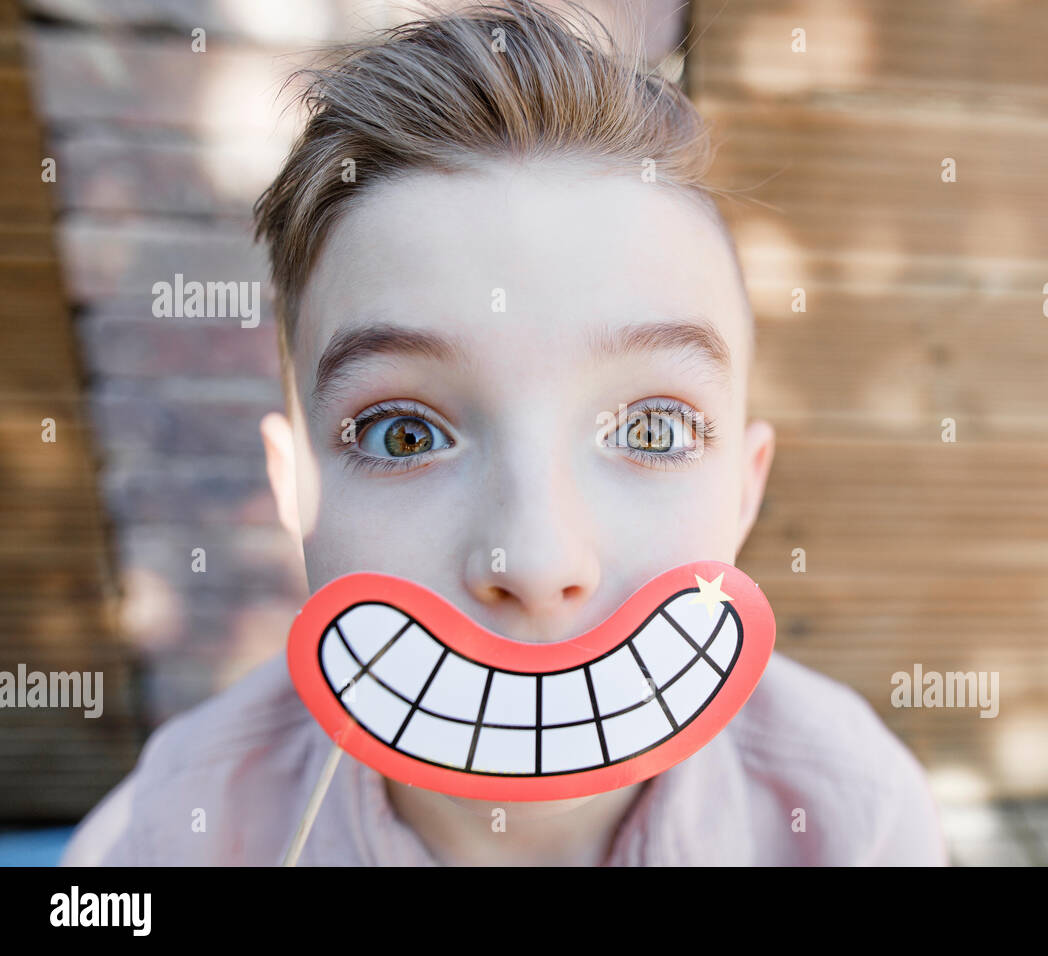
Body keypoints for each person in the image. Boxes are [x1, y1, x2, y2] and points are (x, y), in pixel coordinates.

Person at [61, 0, 946, 866]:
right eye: (401, 434)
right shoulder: (166, 834)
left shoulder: (853, 819)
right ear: (295, 491)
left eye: (653, 429)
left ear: (745, 490)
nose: (535, 561)